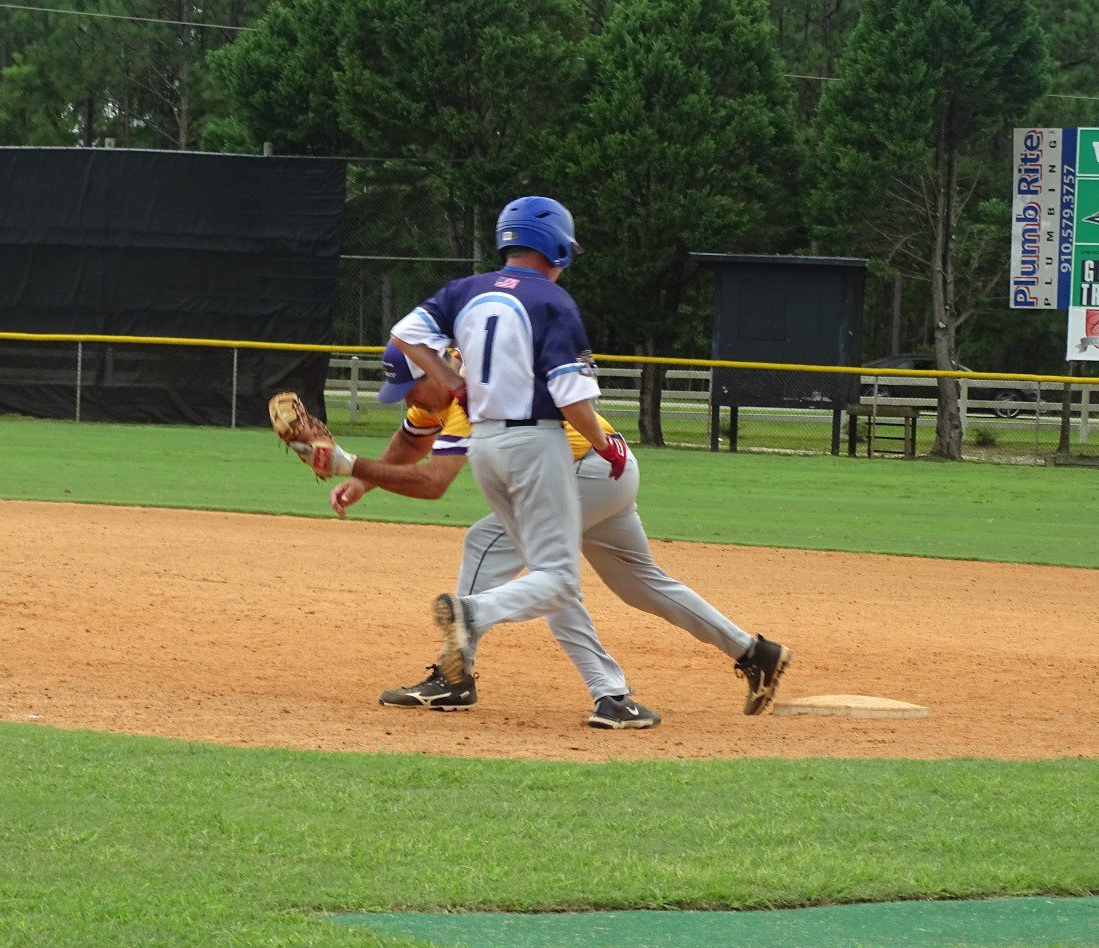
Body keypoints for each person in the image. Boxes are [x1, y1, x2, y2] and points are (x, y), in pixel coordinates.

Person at [326, 343, 790, 719]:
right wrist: (362, 482)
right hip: (607, 470)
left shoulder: (475, 393)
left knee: (508, 553)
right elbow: (411, 440)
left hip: (586, 470)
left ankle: (467, 674)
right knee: (641, 586)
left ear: (436, 369)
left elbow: (434, 482)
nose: (409, 400)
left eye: (412, 388)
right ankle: (754, 653)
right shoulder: (441, 391)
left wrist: (347, 463)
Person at [385, 195, 659, 729]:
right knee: (557, 578)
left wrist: (453, 383)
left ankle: (607, 694)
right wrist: (606, 446)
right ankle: (472, 613)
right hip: (537, 443)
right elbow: (572, 398)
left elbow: (405, 336)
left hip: (486, 445)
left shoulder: (464, 290)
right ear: (558, 248)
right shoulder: (553, 301)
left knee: (534, 562)